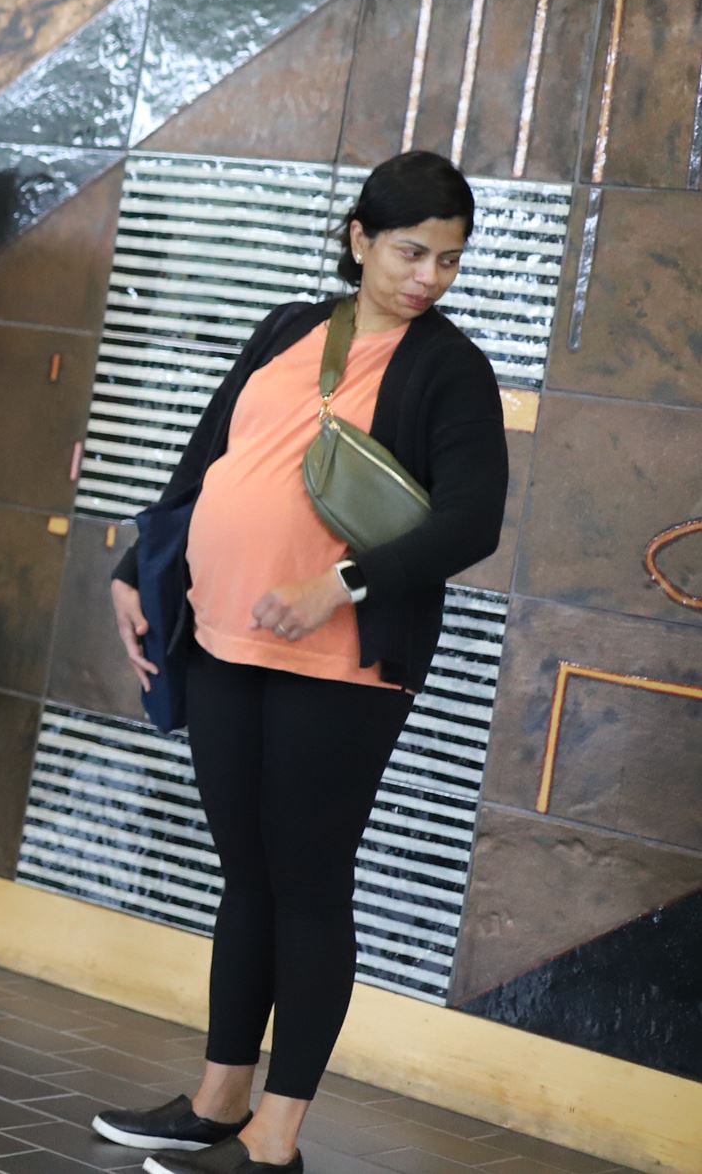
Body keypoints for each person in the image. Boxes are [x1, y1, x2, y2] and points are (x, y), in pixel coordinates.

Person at [94, 151, 507, 1174]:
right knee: (247, 875)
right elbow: (204, 465)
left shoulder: (447, 365)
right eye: (412, 251)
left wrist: (339, 584)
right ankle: (215, 1096)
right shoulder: (286, 328)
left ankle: (275, 1131)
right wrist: (127, 567)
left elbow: (470, 519)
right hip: (227, 636)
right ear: (358, 238)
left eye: (448, 260)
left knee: (309, 880)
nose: (427, 276)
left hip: (340, 659)